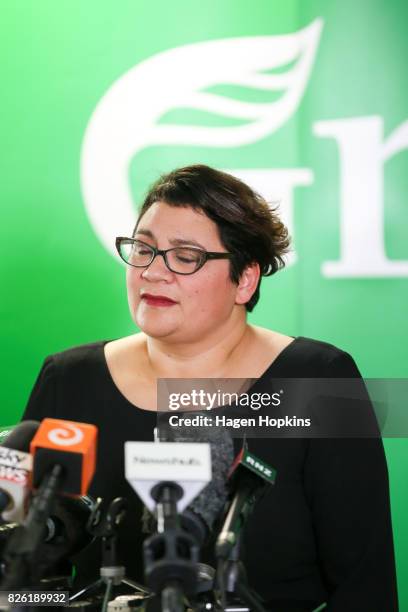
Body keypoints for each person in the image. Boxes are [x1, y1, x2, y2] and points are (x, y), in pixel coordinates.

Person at [23, 165, 398, 611]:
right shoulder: (70, 378)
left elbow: (366, 587)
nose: (153, 272)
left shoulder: (322, 378)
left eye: (185, 257)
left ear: (245, 279)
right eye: (143, 249)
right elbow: (30, 579)